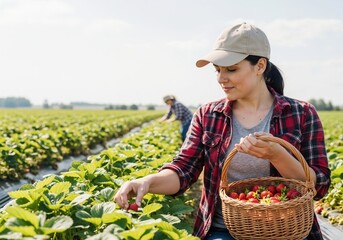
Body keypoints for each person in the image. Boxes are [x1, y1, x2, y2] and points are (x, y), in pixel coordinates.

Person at [114, 22, 331, 240]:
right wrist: (147, 182)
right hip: (224, 229)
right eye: (217, 70)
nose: (221, 78)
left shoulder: (301, 113)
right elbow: (184, 170)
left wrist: (278, 155)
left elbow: (319, 186)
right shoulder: (208, 114)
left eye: (231, 69)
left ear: (260, 66)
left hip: (286, 229)